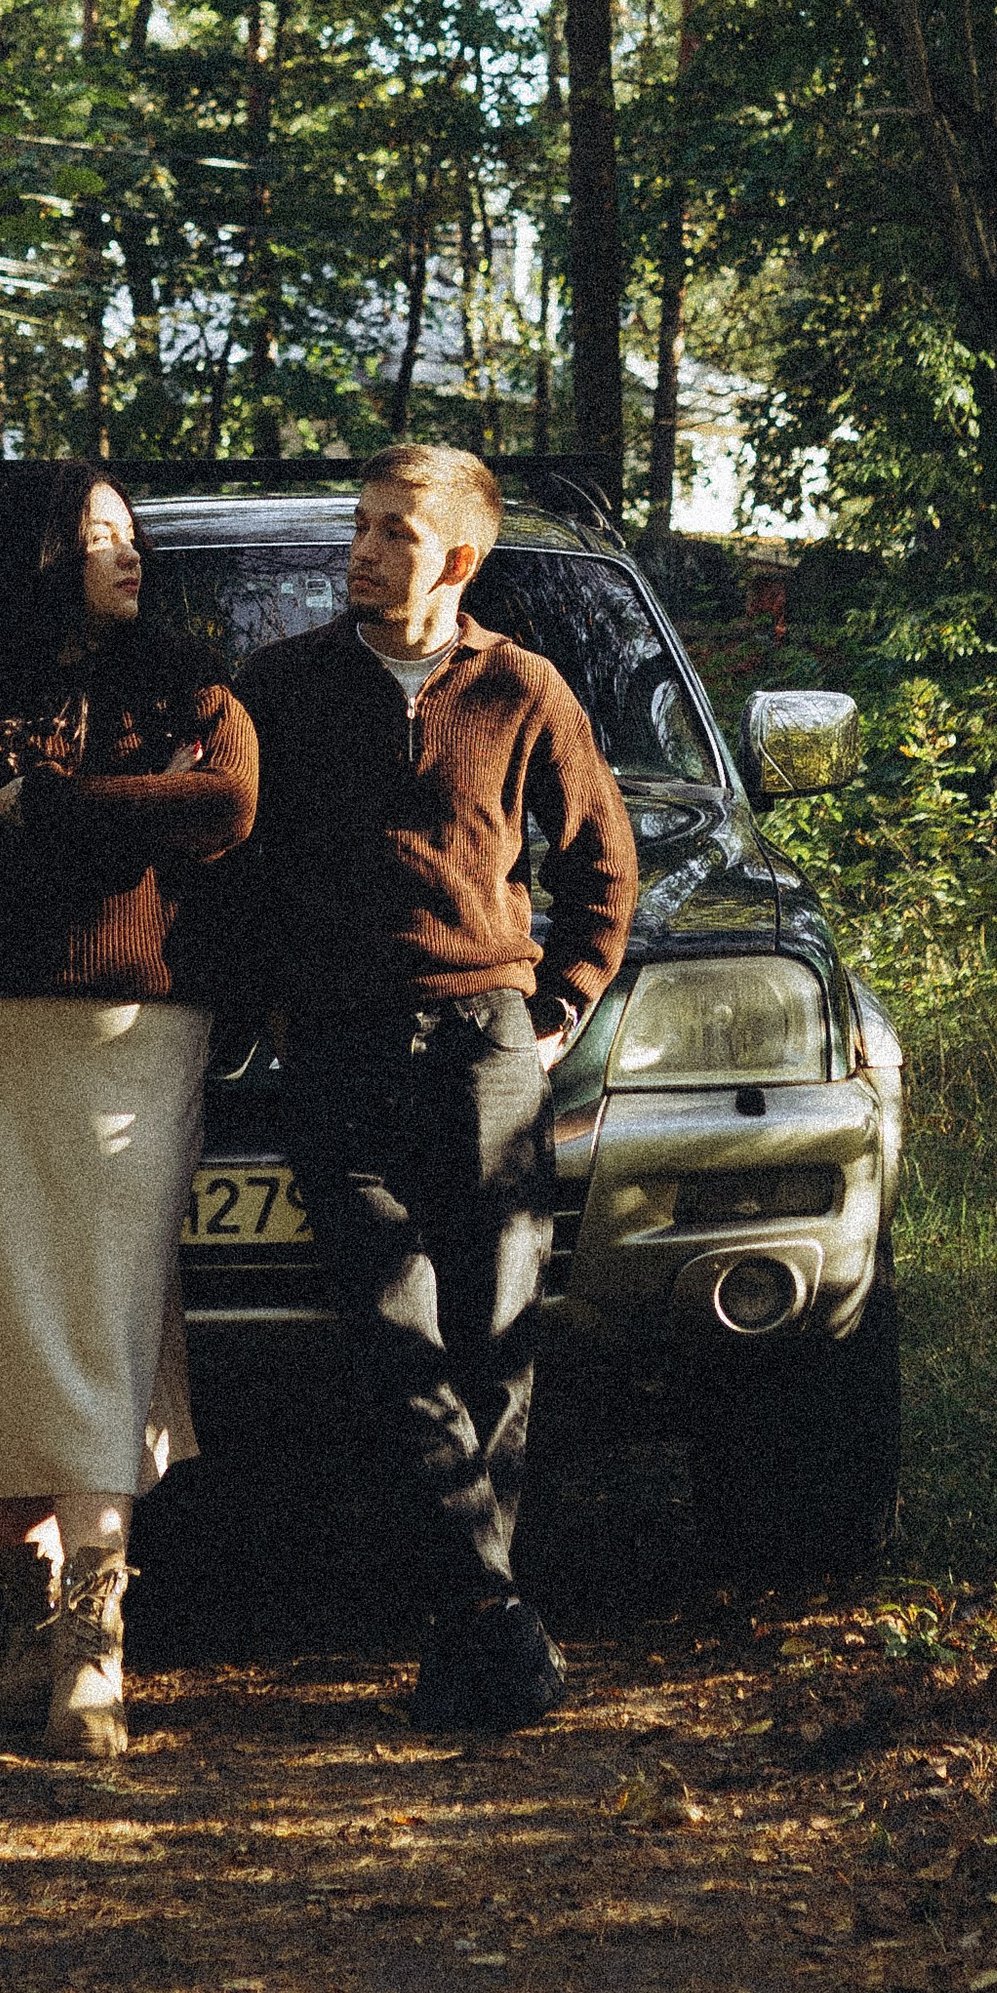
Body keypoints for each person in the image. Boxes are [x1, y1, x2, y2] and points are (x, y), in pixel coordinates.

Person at [0, 464, 257, 1760]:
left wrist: (59, 804)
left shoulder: (188, 684)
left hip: (129, 1037)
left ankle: (99, 1643)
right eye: (96, 537)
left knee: (98, 1321)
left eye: (129, 534)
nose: (124, 555)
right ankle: (26, 1616)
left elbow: (230, 806)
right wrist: (121, 830)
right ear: (39, 554)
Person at [238, 443, 636, 1732]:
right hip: (339, 1049)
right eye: (359, 527)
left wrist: (561, 1004)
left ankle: (471, 1627)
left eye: (392, 532)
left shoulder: (526, 690)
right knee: (394, 1335)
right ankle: (491, 1610)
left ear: (457, 558)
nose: (360, 550)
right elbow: (226, 858)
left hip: (486, 1046)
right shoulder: (281, 689)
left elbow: (602, 866)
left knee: (497, 1338)